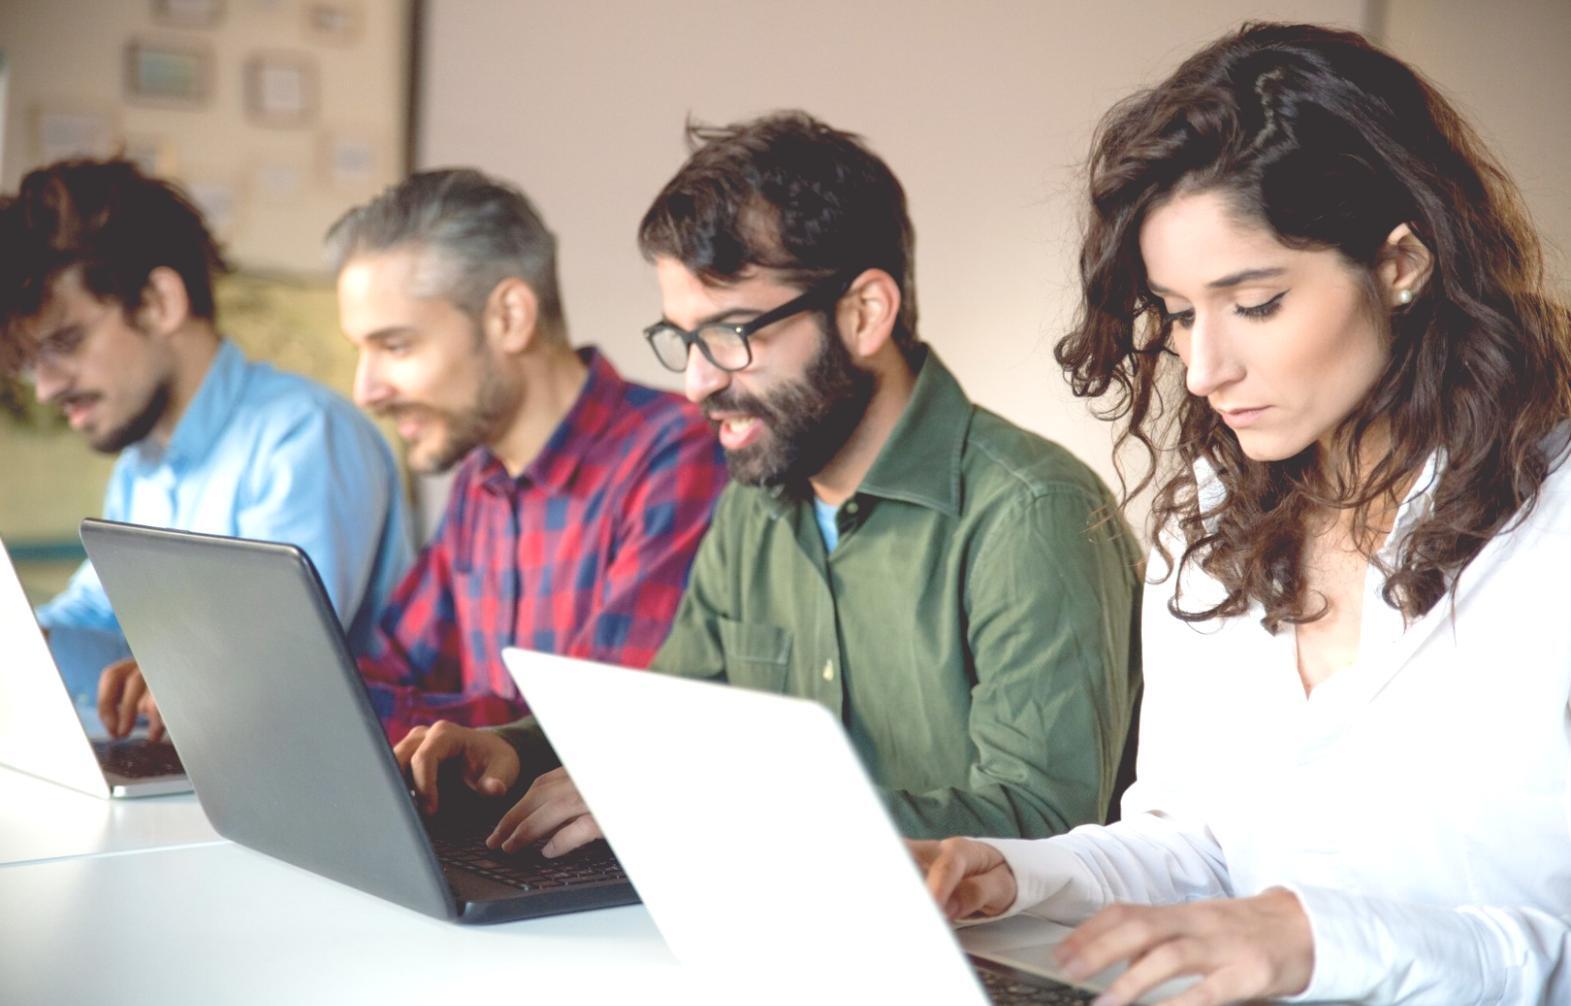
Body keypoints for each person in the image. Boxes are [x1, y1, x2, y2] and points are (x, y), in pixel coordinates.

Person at [917, 22, 1571, 1006]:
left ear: (1400, 261)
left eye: (1255, 302)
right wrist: (1015, 877)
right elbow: (1197, 846)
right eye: (1177, 313)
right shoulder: (1209, 526)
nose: (1204, 366)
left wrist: (1320, 941)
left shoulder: (1549, 533)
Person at [394, 113, 1143, 854]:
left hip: (990, 955)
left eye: (730, 334)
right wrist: (514, 750)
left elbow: (1044, 821)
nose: (695, 382)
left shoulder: (1030, 512)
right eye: (683, 339)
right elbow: (669, 714)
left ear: (863, 313)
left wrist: (710, 810)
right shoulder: (754, 502)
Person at [0, 158, 412, 741]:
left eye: (66, 342)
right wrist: (23, 642)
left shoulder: (304, 437)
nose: (46, 388)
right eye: (32, 362)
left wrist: (182, 676)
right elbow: (100, 617)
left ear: (159, 301)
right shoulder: (139, 466)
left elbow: (274, 660)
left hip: (303, 777)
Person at [326, 168, 728, 741]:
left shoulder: (676, 456)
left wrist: (330, 712)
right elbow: (388, 671)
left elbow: (596, 733)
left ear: (510, 317)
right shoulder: (480, 480)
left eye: (396, 345)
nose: (366, 390)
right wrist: (278, 698)